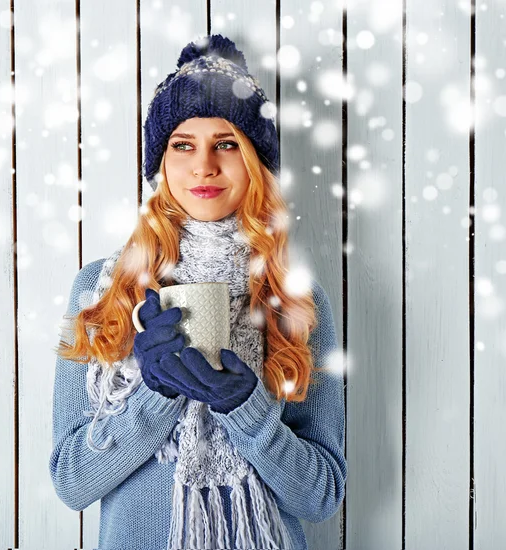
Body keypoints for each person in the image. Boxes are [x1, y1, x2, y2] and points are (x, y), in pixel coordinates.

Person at [49, 34, 347, 550]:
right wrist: (155, 396)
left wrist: (247, 410)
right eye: (182, 144)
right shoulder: (105, 291)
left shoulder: (296, 301)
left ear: (256, 161)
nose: (203, 165)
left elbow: (320, 497)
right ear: (160, 164)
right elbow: (72, 484)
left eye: (226, 144)